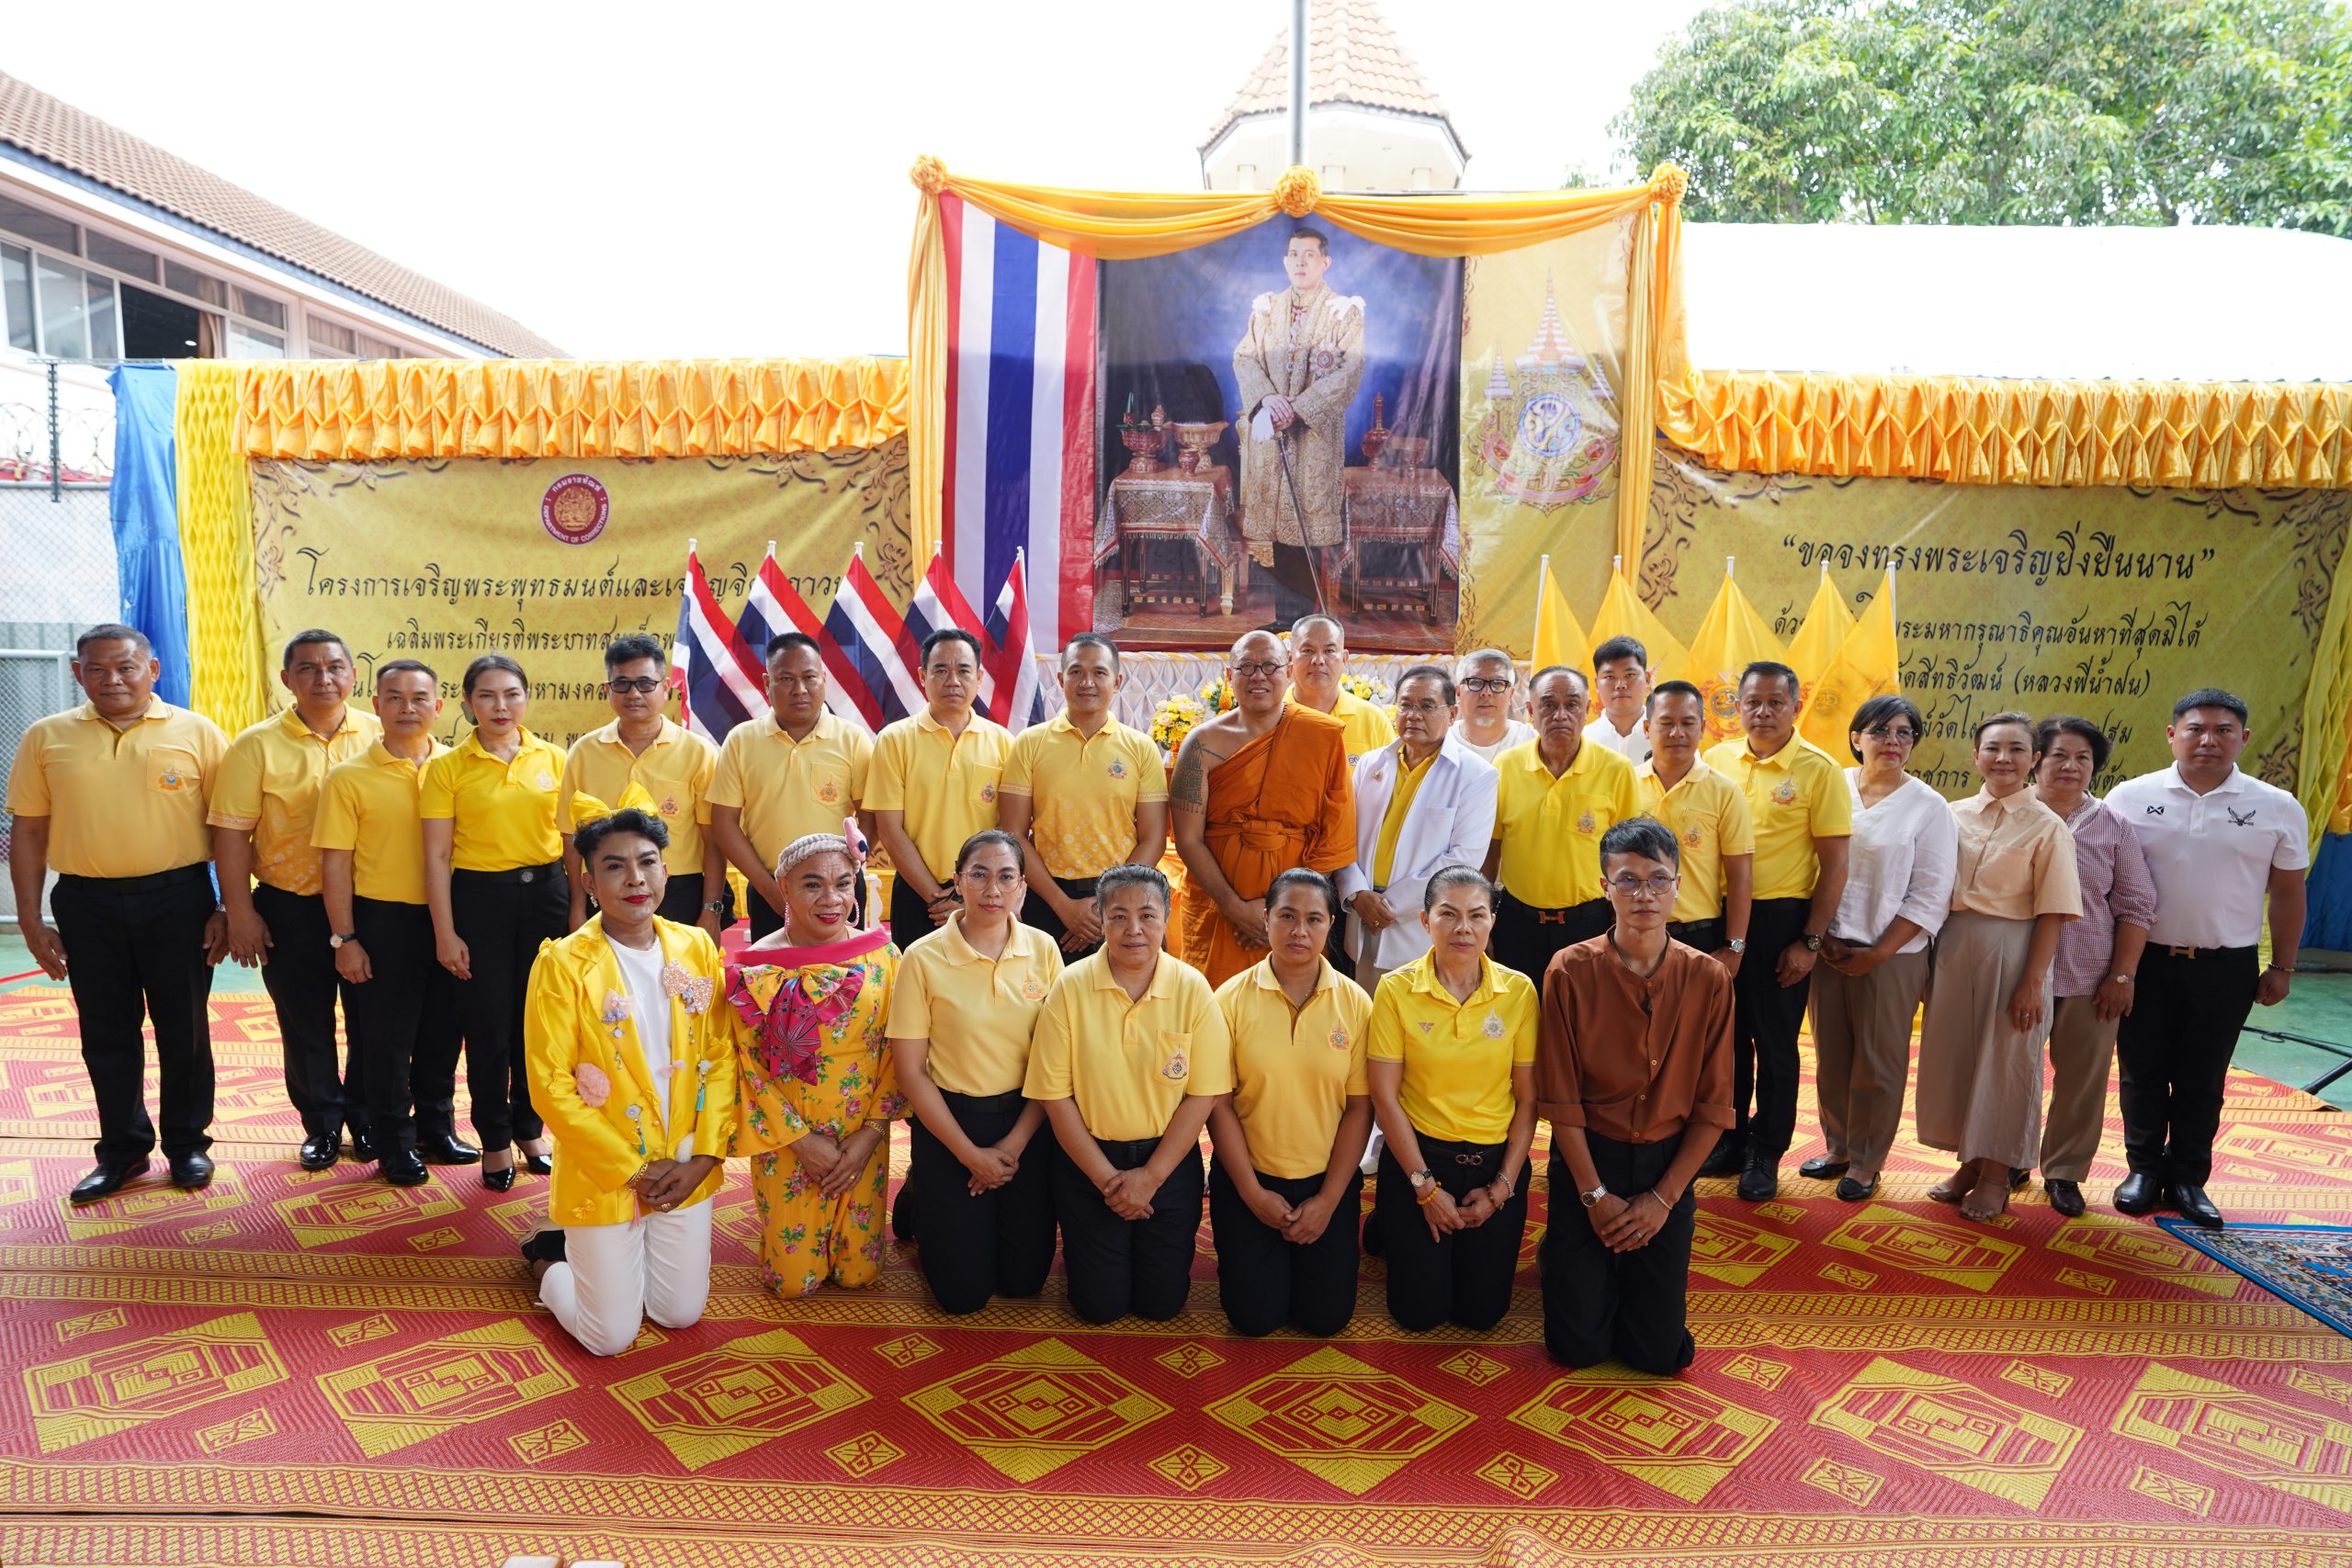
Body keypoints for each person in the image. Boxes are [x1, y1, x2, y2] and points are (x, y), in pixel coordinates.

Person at [7, 625, 228, 1201]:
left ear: (152, 670)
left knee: (185, 1028)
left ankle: (187, 1146)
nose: (113, 680)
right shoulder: (45, 737)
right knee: (105, 1032)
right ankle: (123, 1151)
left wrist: (231, 905)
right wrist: (30, 920)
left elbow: (231, 829)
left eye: (126, 667)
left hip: (179, 901)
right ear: (78, 673)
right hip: (86, 903)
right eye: (98, 669)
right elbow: (28, 831)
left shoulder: (197, 732)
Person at [517, 806, 734, 1355]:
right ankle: (549, 1263)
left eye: (647, 862)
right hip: (606, 1166)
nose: (635, 879)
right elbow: (549, 1086)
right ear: (588, 881)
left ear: (666, 870)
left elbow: (721, 1054)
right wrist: (634, 1169)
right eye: (614, 867)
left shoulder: (697, 947)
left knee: (677, 1313)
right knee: (608, 1337)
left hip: (684, 1157)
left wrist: (705, 1157)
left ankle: (610, 1266)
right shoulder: (564, 964)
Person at [1535, 818, 1734, 1375]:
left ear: (1678, 884)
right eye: (1626, 880)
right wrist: (1594, 1196)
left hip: (1665, 1167)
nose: (1643, 895)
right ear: (1604, 886)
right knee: (1577, 1349)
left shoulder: (1709, 979)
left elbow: (1714, 1106)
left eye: (1657, 880)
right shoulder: (1569, 971)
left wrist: (1664, 1199)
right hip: (1587, 1160)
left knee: (1658, 1355)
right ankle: (1565, 1249)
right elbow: (1561, 1101)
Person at [2105, 689, 2307, 1228]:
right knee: (2141, 1069)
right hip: (2143, 960)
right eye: (2196, 728)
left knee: (2204, 1076)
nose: (2209, 740)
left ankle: (2190, 1178)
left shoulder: (2276, 806)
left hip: (2227, 966)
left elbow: (2288, 892)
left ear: (2244, 738)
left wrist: (2282, 965)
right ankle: (2144, 1170)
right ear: (2172, 735)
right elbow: (2106, 883)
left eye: (2223, 730)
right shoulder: (2129, 796)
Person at [1028, 863, 1232, 1324]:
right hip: (1089, 1165)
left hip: (1167, 1165)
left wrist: (1150, 1178)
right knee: (1100, 1307)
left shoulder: (1192, 988)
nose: (1133, 930)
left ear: (1166, 916)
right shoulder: (1071, 986)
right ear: (1099, 918)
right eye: (1118, 916)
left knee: (1161, 1305)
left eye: (1147, 915)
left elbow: (1203, 1095)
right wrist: (1108, 1181)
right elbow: (1054, 1097)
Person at [209, 629, 381, 1170]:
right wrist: (241, 911)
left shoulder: (381, 735)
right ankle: (323, 1125)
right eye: (307, 669)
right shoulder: (256, 745)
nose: (323, 679)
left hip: (371, 906)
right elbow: (232, 835)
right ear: (287, 680)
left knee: (372, 1020)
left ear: (355, 676)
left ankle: (370, 1121)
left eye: (335, 666)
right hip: (291, 905)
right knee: (304, 1021)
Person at [887, 829, 1064, 1314]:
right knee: (962, 1297)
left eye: (1006, 877)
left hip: (1025, 1120)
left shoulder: (1045, 949)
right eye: (978, 875)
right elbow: (911, 1072)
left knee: (1023, 1281)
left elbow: (1053, 1063)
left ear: (1023, 889)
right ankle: (923, 1192)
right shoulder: (922, 957)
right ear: (957, 883)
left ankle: (933, 1187)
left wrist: (1011, 1146)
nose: (992, 891)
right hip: (950, 1122)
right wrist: (968, 1154)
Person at [1916, 712, 2082, 1223]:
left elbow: (2054, 910)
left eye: (2016, 749)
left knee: (2008, 1064)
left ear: (2034, 759)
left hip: (2014, 951)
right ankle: (1968, 1164)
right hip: (1954, 945)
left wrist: (2033, 983)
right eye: (1992, 748)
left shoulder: (2048, 826)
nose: (2003, 759)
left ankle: (1996, 1176)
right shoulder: (1952, 813)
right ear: (1976, 755)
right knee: (1960, 1059)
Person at [727, 831, 905, 1296]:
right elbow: (749, 1068)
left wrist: (869, 1135)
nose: (832, 899)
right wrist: (803, 1144)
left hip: (863, 1129)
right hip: (788, 1137)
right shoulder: (756, 968)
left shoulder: (883, 957)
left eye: (843, 884)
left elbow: (898, 1050)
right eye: (812, 885)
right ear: (783, 888)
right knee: (791, 1282)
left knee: (858, 1274)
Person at [313, 660, 468, 1185]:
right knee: (385, 1041)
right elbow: (334, 865)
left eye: (419, 698)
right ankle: (395, 1144)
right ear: (375, 706)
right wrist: (345, 938)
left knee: (443, 1035)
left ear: (439, 707)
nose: (407, 708)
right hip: (383, 922)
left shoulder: (457, 767)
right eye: (394, 697)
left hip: (450, 918)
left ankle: (438, 1129)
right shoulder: (348, 777)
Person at [1701, 662, 1851, 1200]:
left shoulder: (1819, 770)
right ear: (1736, 707)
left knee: (1776, 1044)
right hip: (1718, 917)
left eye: (1775, 703)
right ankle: (1731, 1138)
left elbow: (1835, 866)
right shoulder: (1714, 760)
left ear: (1795, 707)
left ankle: (1767, 1151)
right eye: (1752, 703)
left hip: (1781, 921)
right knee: (1725, 1041)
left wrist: (1809, 941)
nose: (1762, 713)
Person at [1365, 866, 1537, 1334]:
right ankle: (1392, 1216)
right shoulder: (1396, 989)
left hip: (1493, 1161)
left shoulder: (1519, 991)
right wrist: (1424, 1187)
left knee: (1481, 1315)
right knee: (1419, 1314)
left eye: (1477, 915)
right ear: (1425, 921)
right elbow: (1384, 1095)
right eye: (1448, 914)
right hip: (1421, 1160)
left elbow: (1527, 1102)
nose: (1464, 928)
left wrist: (1502, 1188)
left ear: (1491, 923)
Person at [422, 655, 567, 1191]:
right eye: (486, 696)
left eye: (511, 694)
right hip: (478, 901)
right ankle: (495, 1140)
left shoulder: (554, 758)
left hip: (548, 897)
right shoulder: (448, 768)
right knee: (486, 1026)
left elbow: (572, 842)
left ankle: (531, 1129)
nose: (500, 706)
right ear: (466, 703)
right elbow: (436, 858)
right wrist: (445, 931)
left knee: (538, 1024)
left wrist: (577, 910)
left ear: (527, 698)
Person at [1208, 869, 1373, 1337]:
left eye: (1314, 919)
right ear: (1266, 920)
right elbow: (1218, 1105)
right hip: (1250, 1178)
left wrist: (1327, 1200)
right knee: (1253, 1320)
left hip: (1328, 1180)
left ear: (1331, 925)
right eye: (1287, 916)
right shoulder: (1229, 1000)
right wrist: (1252, 1193)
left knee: (1326, 1320)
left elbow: (1361, 1108)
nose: (1300, 931)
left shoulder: (1356, 1003)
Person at [1804, 694, 1955, 1201]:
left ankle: (1867, 1163)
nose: (1892, 742)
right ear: (1855, 739)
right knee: (1832, 1055)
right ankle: (1838, 1147)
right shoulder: (1833, 786)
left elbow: (1931, 893)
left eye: (1903, 733)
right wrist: (1816, 935)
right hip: (1826, 946)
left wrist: (1877, 953)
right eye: (1879, 731)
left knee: (1878, 1061)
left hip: (1891, 955)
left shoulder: (1928, 806)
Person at [1170, 630, 1356, 987]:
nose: (1259, 676)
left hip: (1296, 916)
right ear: (1228, 676)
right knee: (1214, 1011)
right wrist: (1236, 909)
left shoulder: (1319, 735)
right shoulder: (1201, 744)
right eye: (1247, 667)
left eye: (1270, 666)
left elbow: (1335, 836)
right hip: (1219, 907)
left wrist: (1286, 913)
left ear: (1288, 670)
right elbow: (1187, 839)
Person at [2031, 715, 2156, 1218]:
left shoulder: (2113, 825)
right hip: (2014, 973)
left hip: (2089, 977)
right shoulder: (2011, 812)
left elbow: (2135, 905)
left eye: (2083, 758)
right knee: (2006, 1072)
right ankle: (2000, 1161)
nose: (2071, 766)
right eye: (2059, 754)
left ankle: (2063, 1172)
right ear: (2035, 758)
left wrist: (2121, 976)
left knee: (2081, 1079)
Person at [998, 634, 1167, 958]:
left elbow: (1154, 836)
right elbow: (1013, 832)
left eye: (1099, 673)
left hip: (1123, 900)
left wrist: (1107, 906)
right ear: (1061, 679)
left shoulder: (1141, 748)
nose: (1087, 682)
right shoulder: (1030, 743)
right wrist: (1064, 907)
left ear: (1116, 681)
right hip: (1048, 896)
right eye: (1076, 672)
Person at [1340, 664, 1498, 994]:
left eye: (1427, 706)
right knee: (1367, 1024)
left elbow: (1463, 859)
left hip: (1419, 927)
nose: (1413, 715)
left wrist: (1389, 906)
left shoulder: (1475, 774)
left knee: (1418, 1028)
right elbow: (1343, 835)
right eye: (1405, 705)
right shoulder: (1371, 764)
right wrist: (1356, 894)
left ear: (1452, 713)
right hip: (1362, 917)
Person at [1233, 226, 1364, 621]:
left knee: (1304, 529)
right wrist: (1267, 400)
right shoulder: (1266, 308)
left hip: (1314, 440)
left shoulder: (1344, 311)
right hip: (1270, 436)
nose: (1300, 262)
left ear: (1326, 261)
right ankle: (1286, 621)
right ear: (1284, 260)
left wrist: (1298, 408)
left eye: (1309, 255)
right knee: (1272, 532)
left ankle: (1305, 622)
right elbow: (1244, 357)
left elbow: (1349, 369)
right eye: (1294, 254)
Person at [709, 633, 876, 942]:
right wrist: (770, 887)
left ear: (824, 679)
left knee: (845, 981)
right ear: (766, 683)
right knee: (775, 984)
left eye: (809, 677)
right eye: (786, 678)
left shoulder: (852, 739)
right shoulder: (742, 741)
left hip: (837, 894)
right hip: (770, 890)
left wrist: (846, 876)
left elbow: (870, 817)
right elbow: (723, 823)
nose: (799, 689)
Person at [559, 635, 725, 936]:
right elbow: (571, 838)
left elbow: (713, 841)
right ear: (608, 689)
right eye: (621, 684)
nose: (633, 693)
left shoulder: (698, 752)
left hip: (680, 892)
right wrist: (577, 907)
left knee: (680, 982)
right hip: (607, 892)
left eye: (645, 683)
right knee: (611, 982)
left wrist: (711, 910)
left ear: (665, 688)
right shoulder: (583, 753)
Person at [1484, 666, 1641, 982]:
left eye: (1571, 705)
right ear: (1530, 711)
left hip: (1590, 925)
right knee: (1522, 1021)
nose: (1560, 715)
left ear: (1587, 710)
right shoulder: (1506, 766)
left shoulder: (1616, 770)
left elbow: (1631, 860)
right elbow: (1491, 851)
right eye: (1548, 704)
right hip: (1517, 923)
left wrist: (1626, 924)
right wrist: (1483, 919)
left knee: (1584, 1022)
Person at [868, 629, 1012, 945]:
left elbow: (1009, 827)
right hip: (917, 893)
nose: (953, 681)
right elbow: (890, 830)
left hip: (986, 896)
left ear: (979, 677)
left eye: (963, 670)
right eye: (941, 670)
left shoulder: (1003, 742)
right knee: (916, 989)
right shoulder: (895, 740)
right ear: (922, 676)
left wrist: (969, 895)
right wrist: (937, 898)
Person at [1635, 679, 1753, 960]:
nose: (1677, 732)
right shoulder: (1625, 783)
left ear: (1702, 728)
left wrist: (1734, 948)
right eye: (1666, 723)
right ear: (1647, 728)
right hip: (1634, 932)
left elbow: (1740, 877)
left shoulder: (1724, 791)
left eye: (1688, 723)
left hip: (1700, 935)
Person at [1288, 615, 1396, 768]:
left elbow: (1388, 784)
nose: (1318, 660)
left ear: (1344, 659)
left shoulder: (1373, 720)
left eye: (1329, 650)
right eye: (1307, 650)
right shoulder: (1271, 718)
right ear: (1290, 658)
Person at [1452, 649, 1534, 764]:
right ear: (1458, 693)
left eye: (1497, 683)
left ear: (1510, 694)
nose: (1487, 692)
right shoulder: (1442, 741)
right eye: (1475, 682)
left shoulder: (1532, 741)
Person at [1588, 636, 1654, 764]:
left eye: (1630, 675)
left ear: (1647, 679)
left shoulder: (1668, 738)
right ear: (1596, 684)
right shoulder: (1582, 741)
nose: (1620, 685)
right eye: (1610, 677)